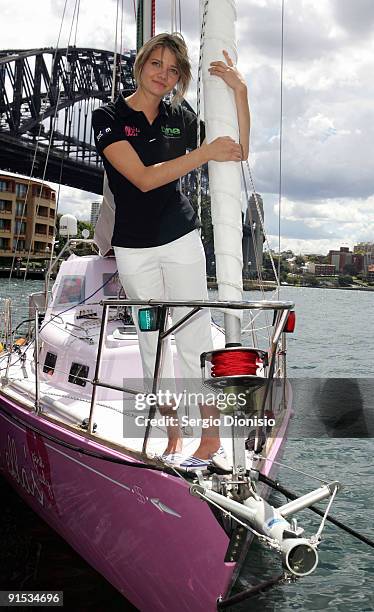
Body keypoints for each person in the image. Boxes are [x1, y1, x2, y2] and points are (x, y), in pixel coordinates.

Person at [92, 33, 250, 468]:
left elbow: (236, 150)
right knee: (152, 343)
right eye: (156, 63)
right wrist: (202, 153)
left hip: (181, 239)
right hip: (133, 249)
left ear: (179, 78)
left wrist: (240, 91)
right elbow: (142, 178)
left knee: (194, 337)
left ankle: (210, 440)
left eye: (173, 69)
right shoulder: (107, 116)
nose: (163, 74)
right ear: (141, 63)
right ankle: (174, 437)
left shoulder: (181, 116)